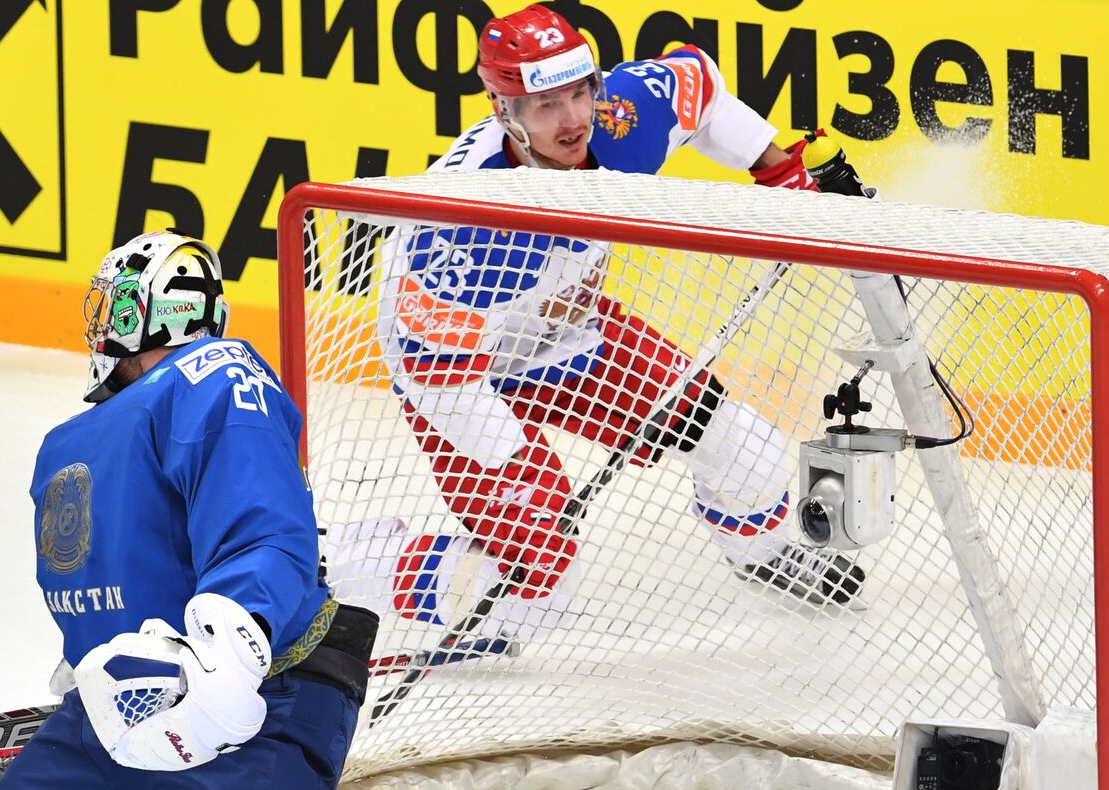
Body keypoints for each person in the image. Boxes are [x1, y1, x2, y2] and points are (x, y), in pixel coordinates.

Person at [326, 4, 865, 642]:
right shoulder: (465, 228)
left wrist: (780, 170)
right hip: (454, 377)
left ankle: (762, 556)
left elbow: (701, 84)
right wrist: (520, 465)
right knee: (539, 597)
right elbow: (433, 373)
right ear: (506, 111)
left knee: (738, 440)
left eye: (581, 92)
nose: (575, 118)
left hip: (568, 334)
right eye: (548, 105)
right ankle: (342, 565)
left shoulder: (615, 123)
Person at [0, 230, 377, 790]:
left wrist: (228, 651)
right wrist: (90, 663)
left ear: (138, 311)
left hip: (258, 701)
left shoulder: (213, 376)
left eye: (112, 306)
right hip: (122, 715)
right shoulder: (77, 438)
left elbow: (265, 529)